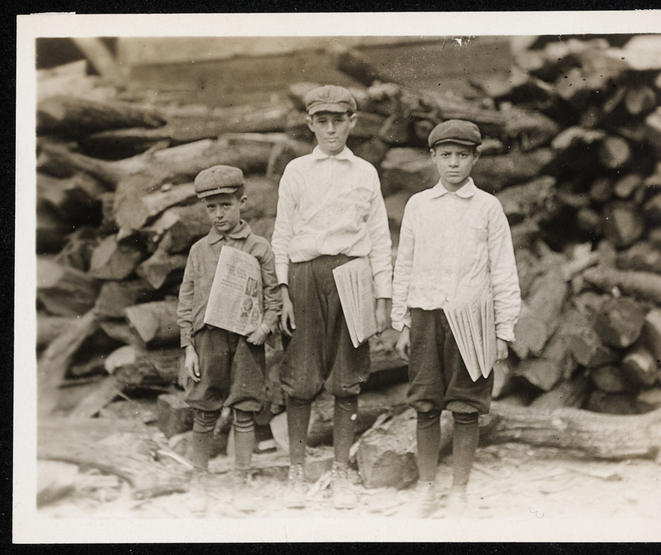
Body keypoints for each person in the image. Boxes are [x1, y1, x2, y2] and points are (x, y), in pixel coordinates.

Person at [271, 85, 393, 510]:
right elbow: (282, 234)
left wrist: (383, 296)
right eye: (321, 120)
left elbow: (378, 236)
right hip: (305, 276)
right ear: (310, 124)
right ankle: (296, 470)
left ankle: (341, 471)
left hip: (352, 276)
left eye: (338, 120)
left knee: (347, 378)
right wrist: (282, 290)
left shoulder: (365, 173)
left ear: (352, 123)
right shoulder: (297, 171)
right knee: (301, 378)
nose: (330, 128)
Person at [391, 120, 521, 518]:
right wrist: (401, 320)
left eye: (462, 156)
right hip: (427, 316)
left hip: (473, 318)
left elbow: (502, 269)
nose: (453, 164)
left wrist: (502, 330)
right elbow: (405, 263)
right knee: (427, 404)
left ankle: (460, 492)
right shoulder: (418, 205)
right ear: (432, 157)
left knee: (466, 406)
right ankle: (427, 489)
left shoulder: (487, 207)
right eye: (445, 155)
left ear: (475, 158)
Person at [176, 165, 282, 484]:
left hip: (247, 341)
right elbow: (187, 297)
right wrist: (188, 347)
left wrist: (264, 328)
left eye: (226, 205)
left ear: (242, 202)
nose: (219, 214)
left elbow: (273, 294)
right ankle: (200, 475)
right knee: (205, 408)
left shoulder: (259, 247)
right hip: (208, 340)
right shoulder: (199, 251)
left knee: (244, 408)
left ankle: (241, 475)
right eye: (211, 208)